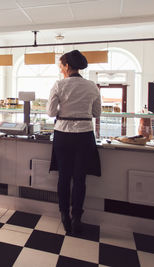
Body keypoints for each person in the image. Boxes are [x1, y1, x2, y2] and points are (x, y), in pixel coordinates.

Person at [47, 50, 102, 234]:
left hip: (63, 134)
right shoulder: (92, 86)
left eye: (61, 66)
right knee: (80, 178)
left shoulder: (59, 85)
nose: (61, 69)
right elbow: (97, 113)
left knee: (64, 177)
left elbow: (50, 112)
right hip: (85, 134)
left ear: (67, 66)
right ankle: (77, 217)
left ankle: (64, 215)